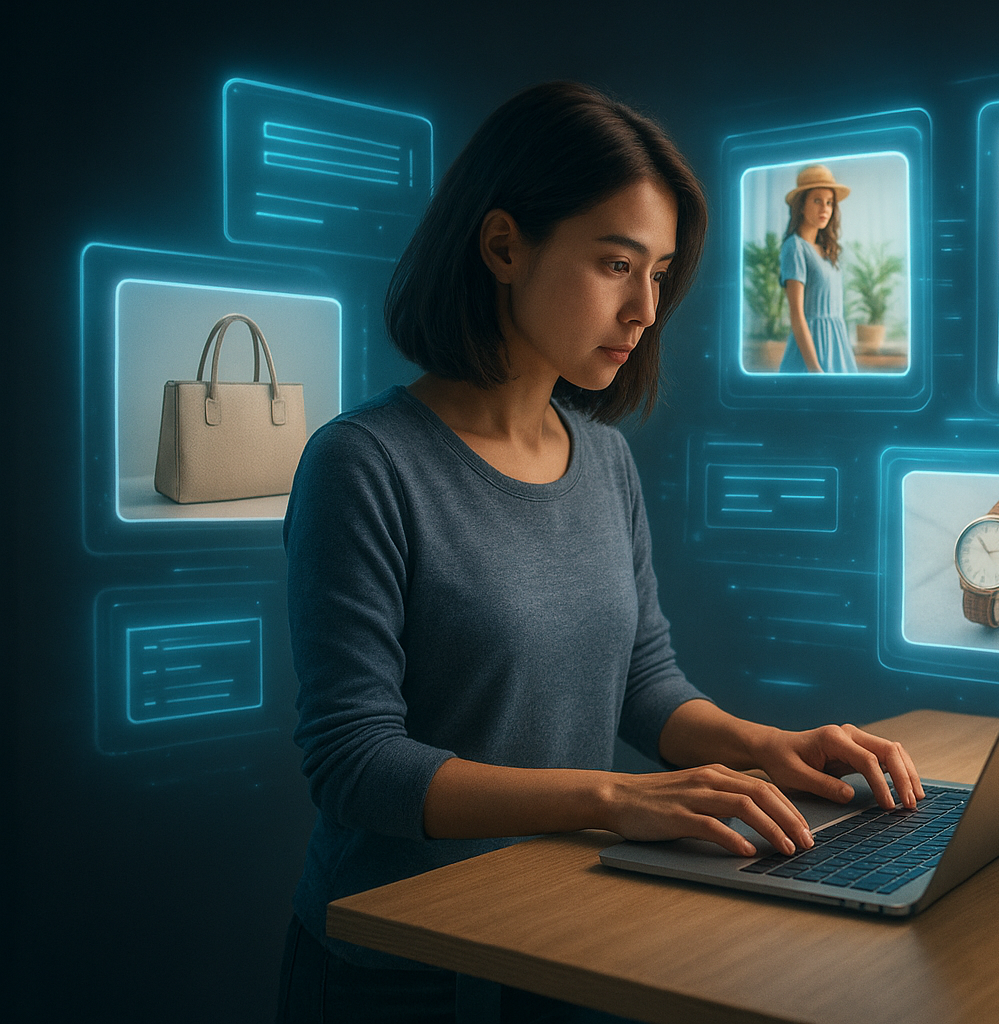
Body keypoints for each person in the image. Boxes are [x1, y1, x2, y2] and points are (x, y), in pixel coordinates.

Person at [275, 82, 923, 1023]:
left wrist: (770, 748)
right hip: (400, 963)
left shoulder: (604, 457)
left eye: (659, 274)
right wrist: (619, 800)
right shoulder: (361, 463)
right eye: (617, 264)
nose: (646, 310)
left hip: (559, 934)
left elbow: (640, 684)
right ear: (504, 246)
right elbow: (356, 762)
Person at [778, 164, 857, 373]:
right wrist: (815, 370)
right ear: (801, 206)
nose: (825, 208)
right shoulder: (794, 247)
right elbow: (797, 315)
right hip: (810, 353)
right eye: (817, 200)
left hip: (837, 346)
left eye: (829, 203)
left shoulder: (827, 250)